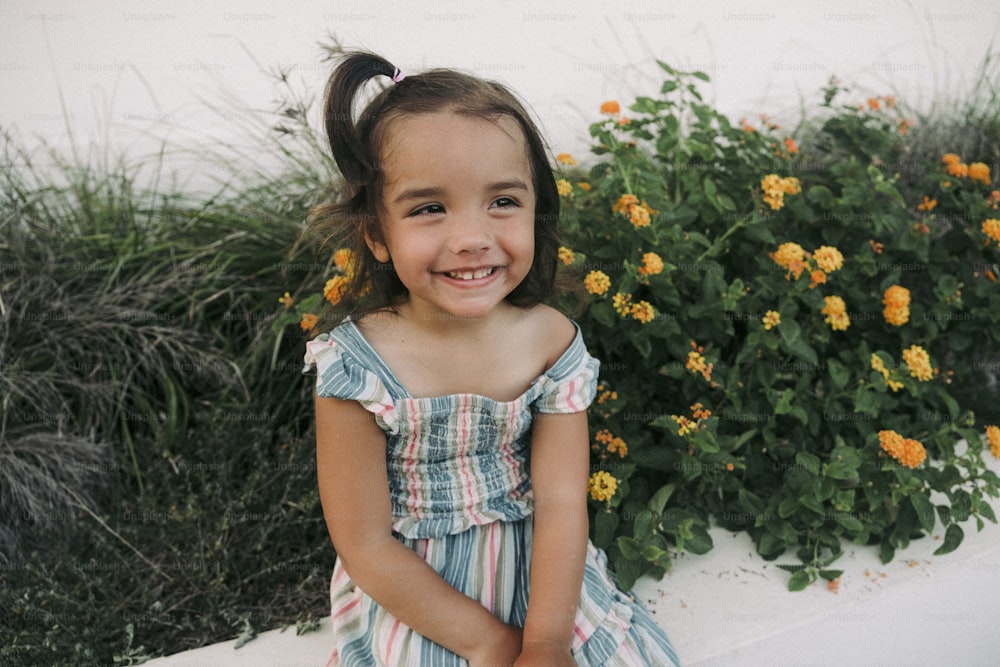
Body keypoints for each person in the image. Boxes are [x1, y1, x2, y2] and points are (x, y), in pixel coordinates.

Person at [303, 50, 680, 667]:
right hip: (417, 589)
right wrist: (488, 641)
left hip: (543, 574)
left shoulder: (550, 343)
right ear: (376, 233)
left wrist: (546, 642)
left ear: (536, 208)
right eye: (429, 208)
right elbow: (366, 543)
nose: (472, 236)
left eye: (502, 201)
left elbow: (561, 503)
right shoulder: (359, 367)